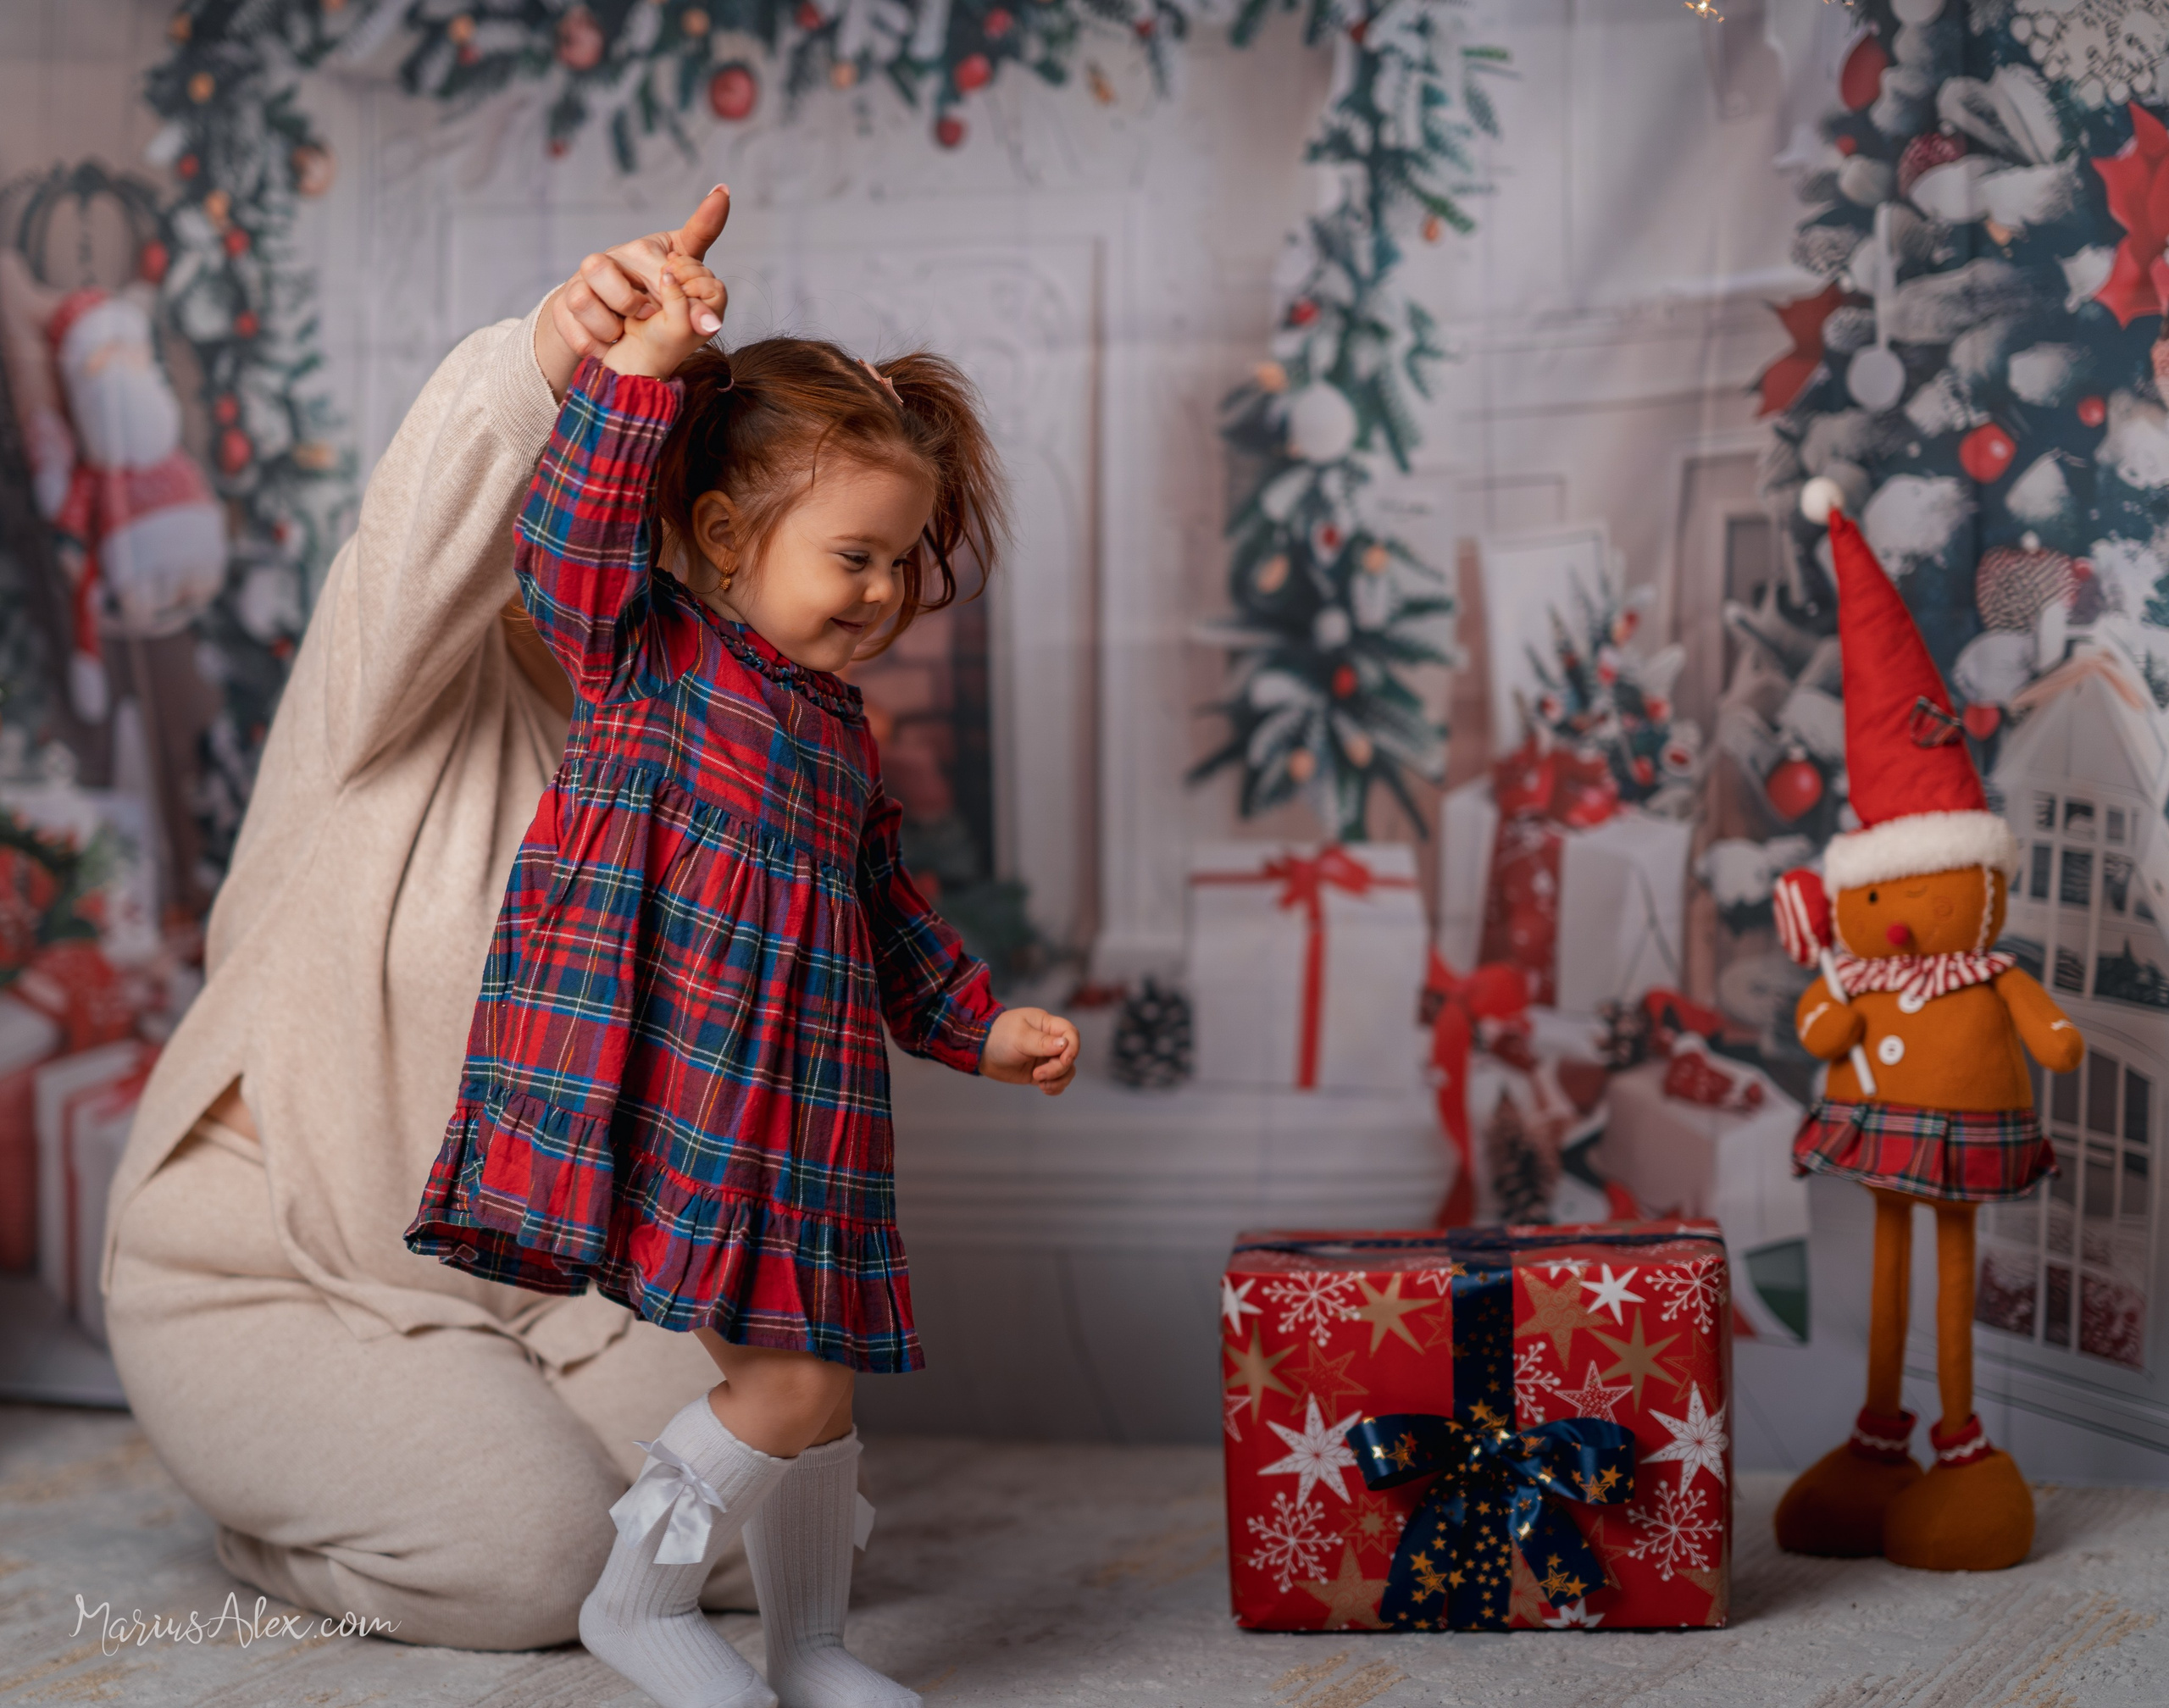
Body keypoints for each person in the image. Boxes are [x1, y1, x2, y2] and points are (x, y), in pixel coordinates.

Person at [98, 191, 811, 1651]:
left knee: (761, 1520)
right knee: (529, 1567)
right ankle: (275, 1522)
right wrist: (564, 346)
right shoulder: (397, 682)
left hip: (536, 1288)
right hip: (273, 1267)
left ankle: (481, 1421)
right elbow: (426, 512)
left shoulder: (693, 754)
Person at [400, 248, 1079, 1708]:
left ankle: (810, 1645)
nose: (884, 592)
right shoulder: (646, 656)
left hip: (803, 1108)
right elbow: (568, 539)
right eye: (855, 556)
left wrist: (982, 1025)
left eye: (902, 562)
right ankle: (634, 1601)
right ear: (722, 534)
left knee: (817, 1387)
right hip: (675, 1081)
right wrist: (639, 370)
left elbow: (888, 914)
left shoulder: (836, 732)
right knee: (789, 1382)